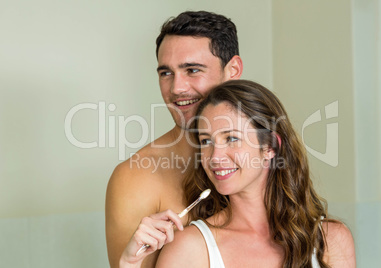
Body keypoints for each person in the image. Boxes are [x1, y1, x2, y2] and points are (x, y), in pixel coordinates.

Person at [128, 80, 355, 267]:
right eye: (206, 141)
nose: (215, 156)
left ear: (270, 147)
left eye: (231, 138)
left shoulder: (330, 240)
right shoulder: (189, 248)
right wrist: (129, 264)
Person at [105, 11, 243, 268]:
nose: (176, 88)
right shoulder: (136, 177)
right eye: (166, 73)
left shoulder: (268, 158)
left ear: (232, 69)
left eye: (192, 70)